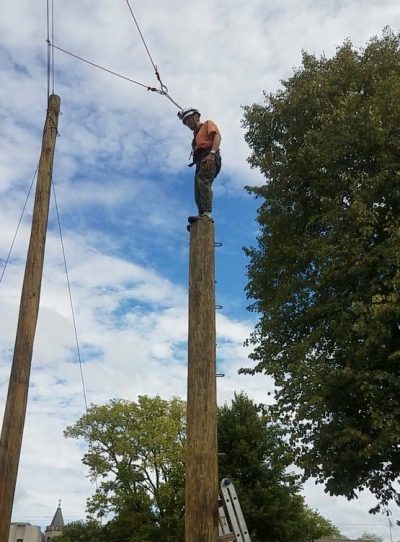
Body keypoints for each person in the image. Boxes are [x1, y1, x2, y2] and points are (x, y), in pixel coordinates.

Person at [178, 108, 221, 224]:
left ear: (196, 117)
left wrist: (212, 153)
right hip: (200, 160)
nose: (188, 124)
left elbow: (217, 137)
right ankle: (201, 216)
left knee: (203, 181)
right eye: (185, 122)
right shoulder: (196, 136)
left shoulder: (207, 124)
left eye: (188, 120)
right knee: (197, 186)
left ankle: (207, 214)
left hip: (209, 155)